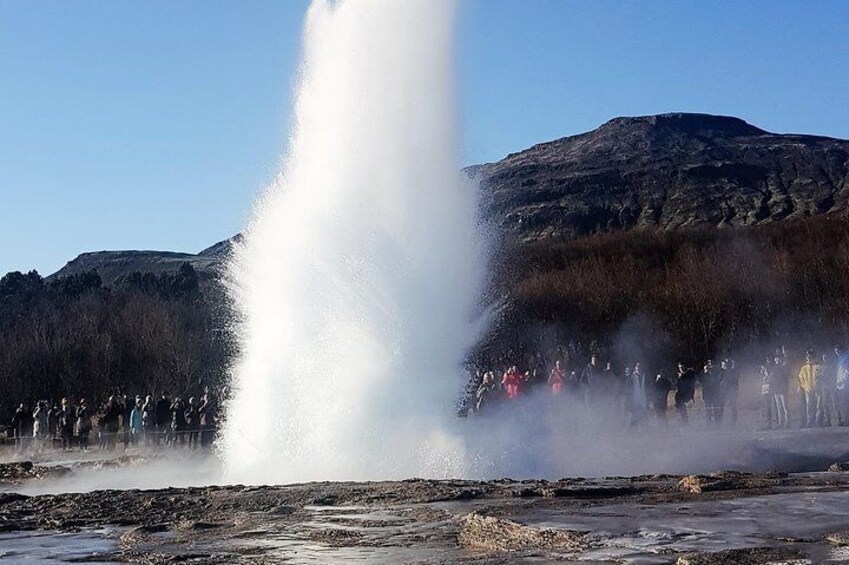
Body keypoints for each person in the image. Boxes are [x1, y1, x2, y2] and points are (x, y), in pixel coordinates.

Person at [797, 351, 822, 428]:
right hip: (808, 389)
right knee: (809, 406)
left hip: (818, 389)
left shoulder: (818, 366)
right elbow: (800, 378)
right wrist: (804, 386)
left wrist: (818, 384)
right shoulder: (804, 368)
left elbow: (821, 377)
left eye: (810, 356)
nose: (809, 358)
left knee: (818, 405)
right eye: (808, 356)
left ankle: (818, 421)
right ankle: (809, 421)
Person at [701, 360, 724, 426]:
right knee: (708, 410)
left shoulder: (716, 373)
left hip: (715, 394)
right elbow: (702, 381)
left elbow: (719, 379)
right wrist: (706, 372)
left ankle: (717, 424)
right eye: (708, 364)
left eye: (711, 364)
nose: (710, 366)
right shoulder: (704, 375)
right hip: (707, 395)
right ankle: (709, 424)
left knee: (716, 409)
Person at [819, 353, 838, 427]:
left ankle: (839, 419)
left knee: (834, 404)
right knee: (825, 405)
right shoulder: (822, 367)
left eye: (826, 357)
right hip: (824, 388)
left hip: (831, 387)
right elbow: (819, 377)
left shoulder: (832, 366)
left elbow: (833, 376)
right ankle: (828, 420)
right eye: (824, 357)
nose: (825, 359)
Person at [772, 354, 790, 428]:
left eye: (778, 358)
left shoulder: (783, 367)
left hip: (782, 389)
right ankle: (780, 422)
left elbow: (787, 376)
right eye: (776, 358)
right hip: (776, 390)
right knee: (779, 408)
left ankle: (787, 422)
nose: (777, 360)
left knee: (785, 407)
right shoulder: (774, 368)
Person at [722, 359, 739, 426]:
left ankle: (733, 422)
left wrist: (736, 391)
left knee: (733, 407)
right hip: (726, 391)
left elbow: (735, 382)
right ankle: (726, 421)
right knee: (725, 407)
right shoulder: (724, 372)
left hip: (731, 391)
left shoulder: (733, 372)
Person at [835, 346, 849, 426]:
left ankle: (846, 420)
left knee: (845, 403)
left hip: (845, 385)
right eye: (835, 351)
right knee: (842, 404)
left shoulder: (845, 358)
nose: (836, 352)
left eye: (837, 350)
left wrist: (842, 381)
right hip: (840, 385)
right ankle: (845, 420)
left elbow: (847, 372)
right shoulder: (839, 359)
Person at [760, 358, 775, 429]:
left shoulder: (772, 368)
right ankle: (765, 422)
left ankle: (769, 423)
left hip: (769, 388)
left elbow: (770, 377)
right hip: (764, 388)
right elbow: (761, 377)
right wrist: (763, 371)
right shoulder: (764, 369)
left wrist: (766, 370)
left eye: (769, 359)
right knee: (764, 406)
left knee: (768, 406)